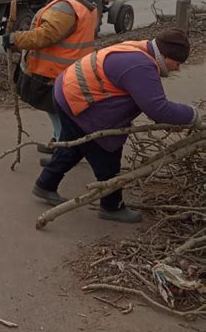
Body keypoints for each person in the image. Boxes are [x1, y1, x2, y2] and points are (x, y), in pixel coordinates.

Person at [33, 28, 202, 222]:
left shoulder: (141, 50)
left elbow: (148, 100)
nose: (177, 69)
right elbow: (158, 108)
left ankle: (45, 184)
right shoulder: (141, 66)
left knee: (76, 144)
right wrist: (193, 115)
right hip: (79, 102)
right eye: (177, 63)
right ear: (165, 55)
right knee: (106, 153)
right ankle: (112, 207)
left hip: (68, 92)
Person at [2, 0, 98, 142]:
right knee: (57, 109)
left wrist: (15, 39)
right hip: (69, 69)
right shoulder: (83, 3)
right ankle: (60, 139)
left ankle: (64, 146)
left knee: (57, 109)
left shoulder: (67, 6)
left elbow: (46, 35)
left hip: (56, 71)